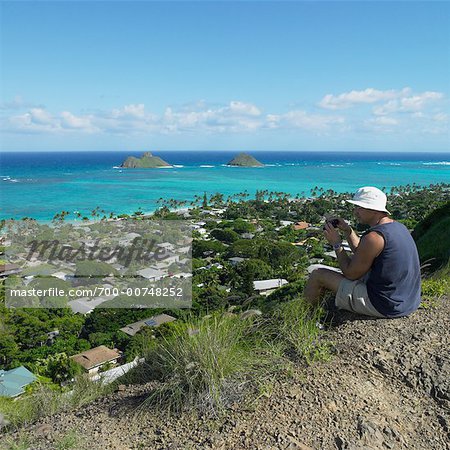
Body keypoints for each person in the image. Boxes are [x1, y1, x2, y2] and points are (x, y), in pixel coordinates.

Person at [304, 186, 421, 318]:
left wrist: (336, 244)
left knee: (317, 275)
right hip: (407, 300)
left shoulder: (374, 237)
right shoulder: (398, 227)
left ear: (374, 209)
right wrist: (348, 231)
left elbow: (350, 274)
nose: (355, 211)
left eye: (360, 207)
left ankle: (307, 319)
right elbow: (363, 252)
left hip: (385, 304)